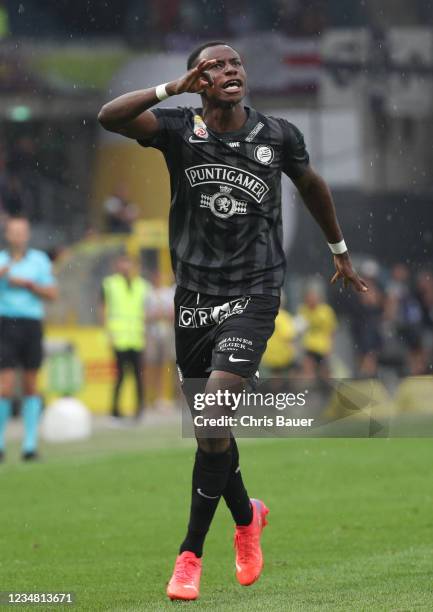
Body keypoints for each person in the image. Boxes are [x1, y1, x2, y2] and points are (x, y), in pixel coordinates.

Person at [98, 40, 368, 601]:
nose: (229, 71)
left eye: (236, 63)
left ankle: (189, 556)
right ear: (200, 76)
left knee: (216, 409)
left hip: (255, 289)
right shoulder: (178, 129)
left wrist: (339, 248)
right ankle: (248, 517)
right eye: (215, 65)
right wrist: (173, 87)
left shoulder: (277, 135)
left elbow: (312, 185)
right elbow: (109, 117)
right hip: (194, 296)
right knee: (211, 431)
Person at [0, 216, 58, 461]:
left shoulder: (39, 260)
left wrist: (28, 285)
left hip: (31, 325)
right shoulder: (1, 261)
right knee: (5, 384)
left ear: (27, 234)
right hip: (5, 324)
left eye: (22, 231)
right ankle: (1, 445)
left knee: (31, 384)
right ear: (7, 235)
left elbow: (52, 293)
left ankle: (30, 445)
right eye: (13, 231)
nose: (18, 236)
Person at [100, 254, 152, 419]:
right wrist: (107, 332)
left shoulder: (142, 285)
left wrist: (147, 333)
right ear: (117, 265)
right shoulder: (110, 284)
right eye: (123, 263)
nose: (125, 266)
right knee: (120, 376)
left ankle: (139, 409)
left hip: (137, 337)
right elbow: (102, 308)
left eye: (128, 263)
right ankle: (115, 410)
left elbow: (147, 310)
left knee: (138, 375)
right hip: (119, 338)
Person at [298, 286, 338, 379]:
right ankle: (311, 390)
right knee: (308, 369)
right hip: (309, 346)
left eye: (313, 298)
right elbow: (299, 329)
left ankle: (326, 390)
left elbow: (331, 330)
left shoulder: (326, 311)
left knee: (324, 371)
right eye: (309, 299)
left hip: (322, 347)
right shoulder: (303, 310)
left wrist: (330, 345)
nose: (311, 301)